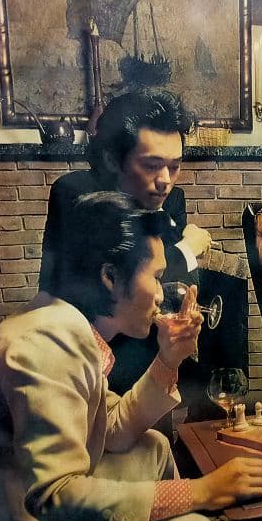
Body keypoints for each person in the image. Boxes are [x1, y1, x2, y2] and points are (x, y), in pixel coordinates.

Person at [0, 193, 262, 521]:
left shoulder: (68, 324)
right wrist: (199, 492)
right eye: (156, 277)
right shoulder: (47, 344)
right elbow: (54, 495)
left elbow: (113, 431)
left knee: (154, 447)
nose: (162, 295)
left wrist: (169, 359)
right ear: (110, 277)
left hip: (13, 492)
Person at [39, 90, 213, 396]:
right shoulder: (75, 193)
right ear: (111, 159)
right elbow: (95, 285)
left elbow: (169, 281)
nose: (165, 180)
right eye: (151, 165)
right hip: (78, 360)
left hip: (150, 359)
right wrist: (188, 248)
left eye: (174, 166)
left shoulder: (173, 199)